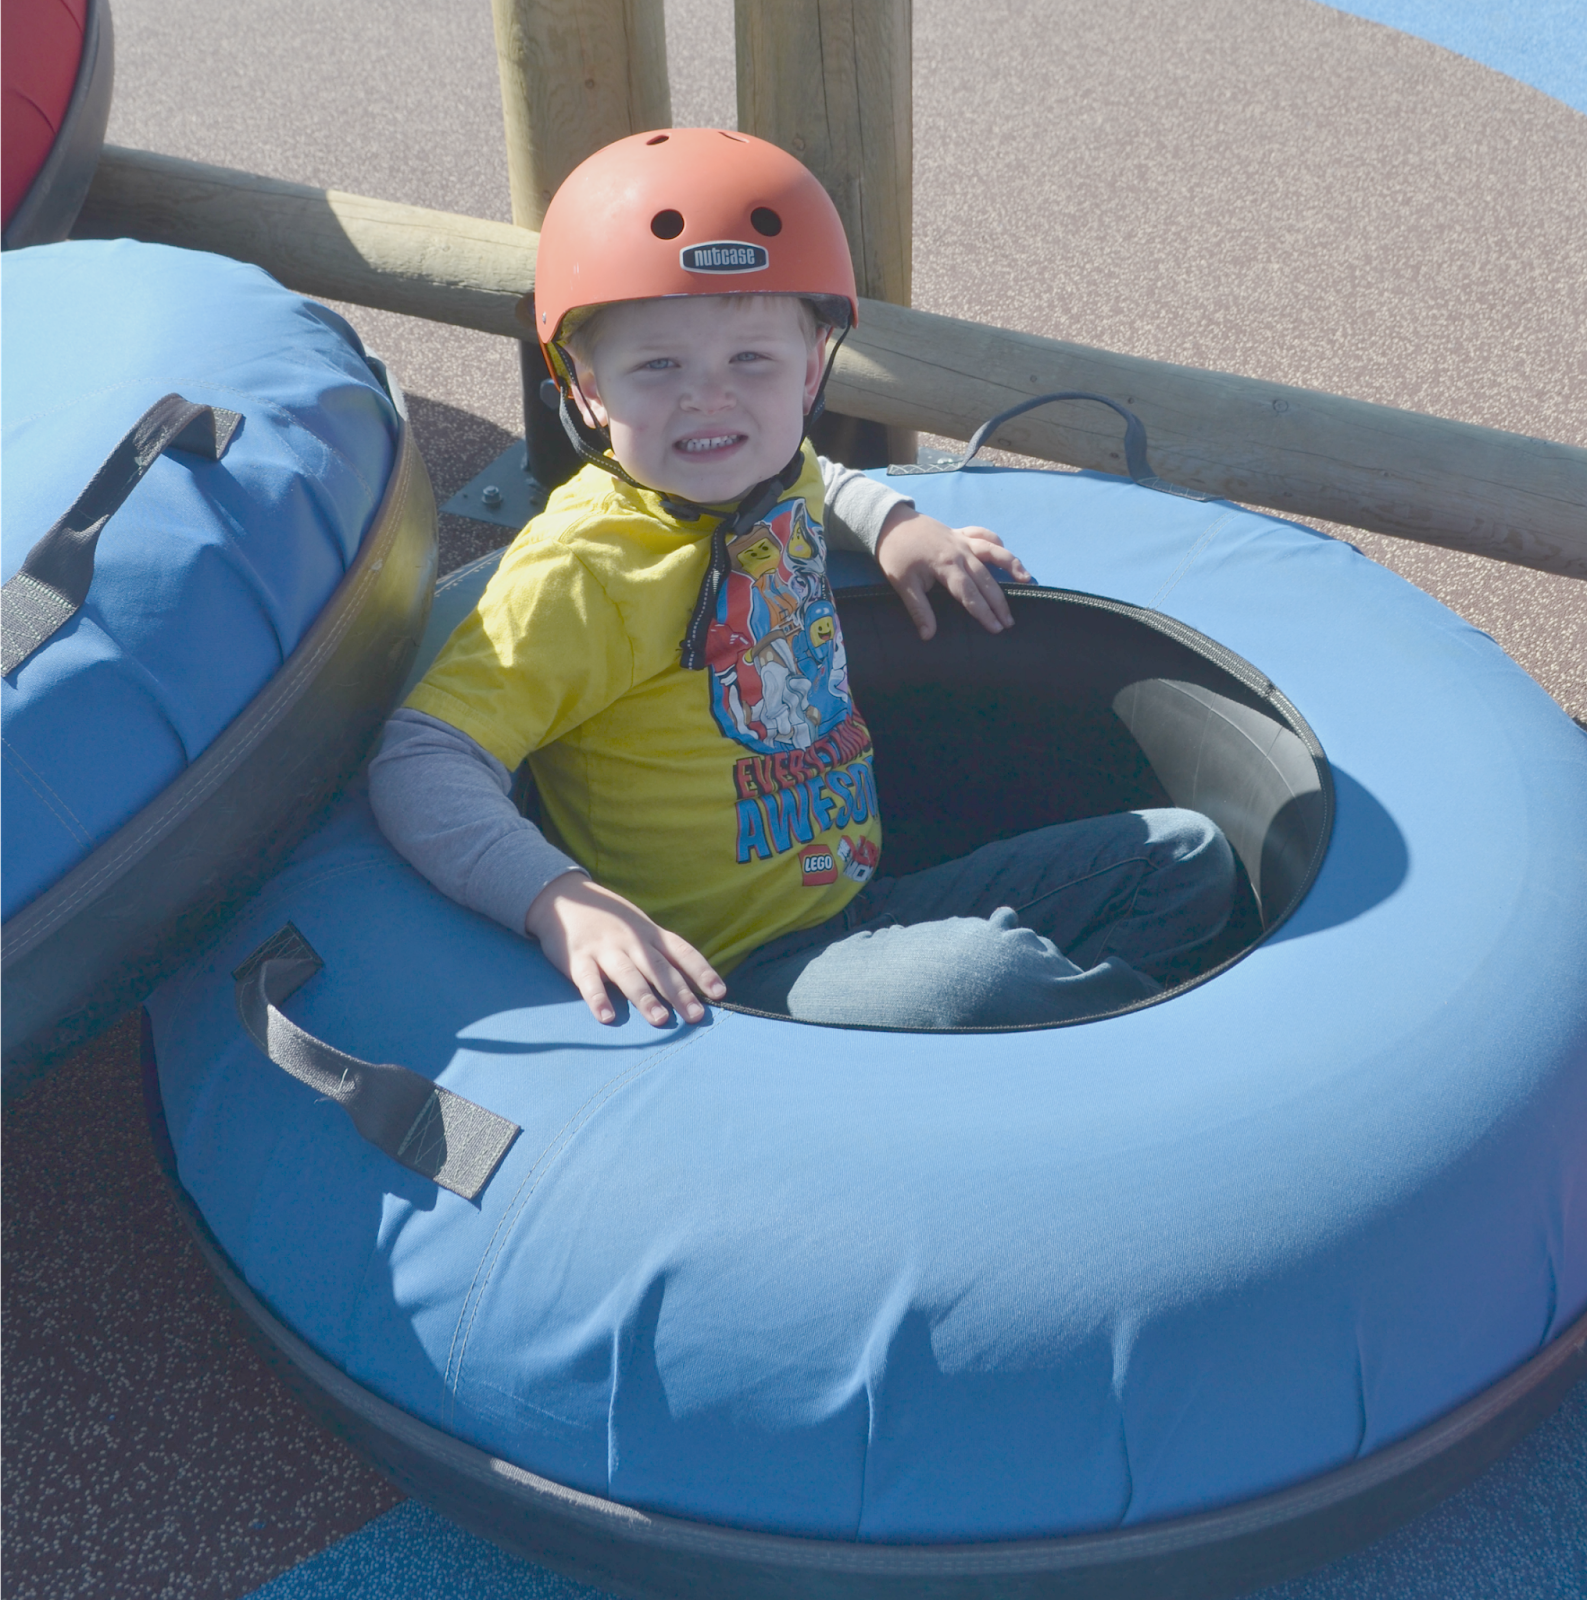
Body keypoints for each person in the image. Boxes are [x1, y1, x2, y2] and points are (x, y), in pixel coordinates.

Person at [370, 128, 1234, 1032]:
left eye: (752, 360)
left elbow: (821, 474)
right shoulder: (586, 568)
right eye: (657, 365)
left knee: (1185, 857)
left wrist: (896, 524)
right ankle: (1129, 1060)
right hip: (737, 970)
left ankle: (1098, 1034)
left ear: (813, 366)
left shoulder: (779, 475)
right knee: (976, 983)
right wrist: (558, 898)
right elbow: (422, 756)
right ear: (584, 386)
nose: (710, 398)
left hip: (864, 893)